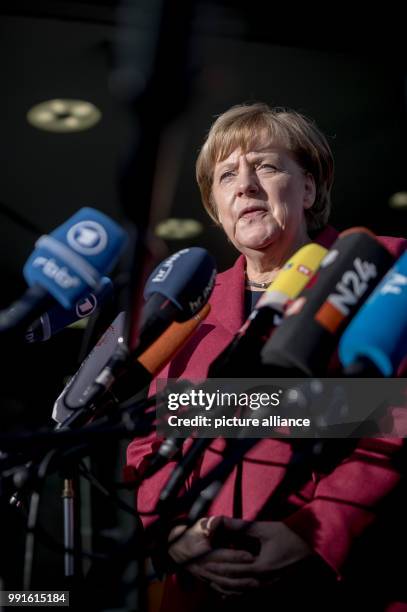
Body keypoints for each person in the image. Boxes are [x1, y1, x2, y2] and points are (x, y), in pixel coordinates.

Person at [126, 103, 407, 611]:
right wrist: (172, 536)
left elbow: (397, 425)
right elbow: (148, 448)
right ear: (216, 206)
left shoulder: (380, 271)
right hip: (199, 593)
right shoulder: (187, 309)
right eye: (226, 175)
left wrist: (316, 535)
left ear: (309, 188)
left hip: (340, 587)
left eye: (267, 166)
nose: (246, 185)